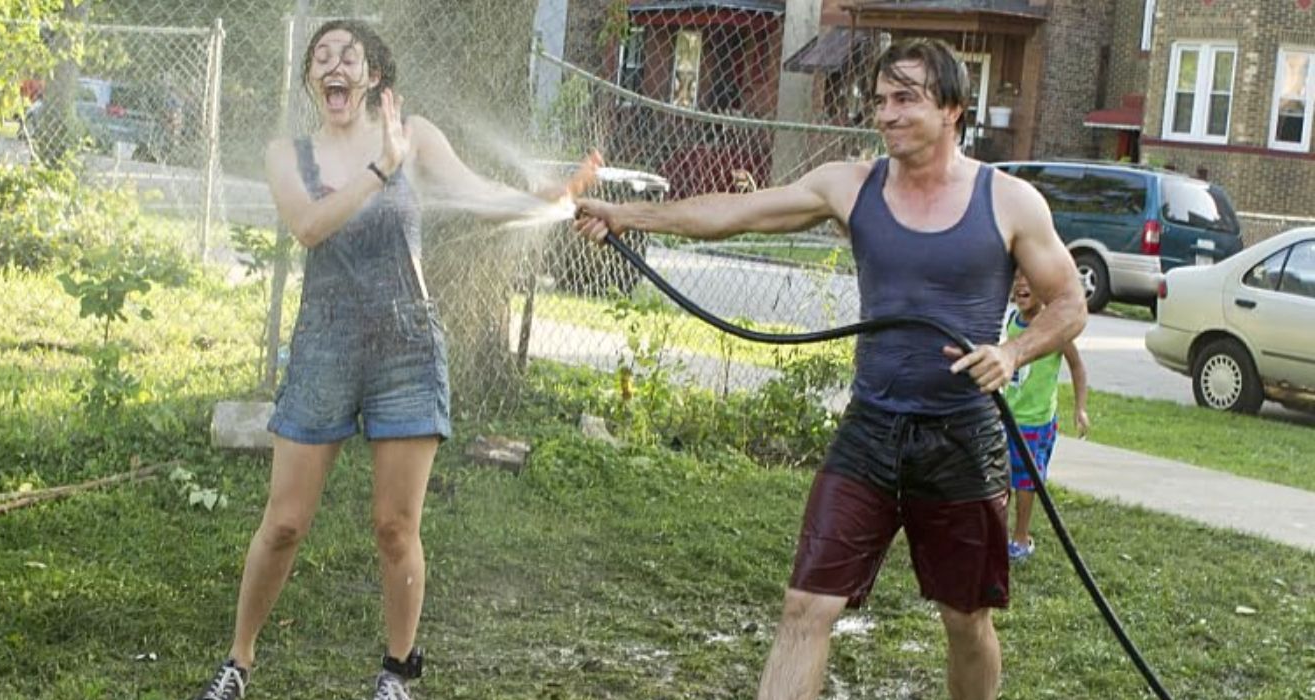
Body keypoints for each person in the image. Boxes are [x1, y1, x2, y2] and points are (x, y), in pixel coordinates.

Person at [573, 38, 1086, 700]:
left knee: (966, 620)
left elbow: (1070, 302)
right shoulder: (851, 185)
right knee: (805, 607)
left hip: (962, 435)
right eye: (879, 101)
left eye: (906, 99)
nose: (887, 115)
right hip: (870, 430)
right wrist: (627, 214)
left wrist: (1013, 352)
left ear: (954, 108)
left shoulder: (1009, 201)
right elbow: (734, 214)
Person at [193, 19, 597, 700]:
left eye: (347, 56)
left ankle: (397, 671)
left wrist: (551, 198)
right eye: (320, 58)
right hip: (325, 344)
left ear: (373, 76)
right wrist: (382, 168)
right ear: (314, 83)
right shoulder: (288, 154)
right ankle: (238, 663)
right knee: (285, 522)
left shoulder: (417, 137)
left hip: (407, 347)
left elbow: (477, 197)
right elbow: (310, 226)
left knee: (394, 526)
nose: (332, 65)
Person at [1002, 273, 1090, 562]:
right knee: (1002, 476)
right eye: (1016, 278)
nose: (1021, 284)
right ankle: (999, 533)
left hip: (1036, 421)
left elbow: (1077, 367)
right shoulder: (1012, 321)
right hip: (1009, 415)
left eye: (1029, 279)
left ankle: (1020, 537)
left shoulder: (1054, 329)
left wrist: (1080, 408)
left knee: (1026, 481)